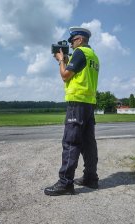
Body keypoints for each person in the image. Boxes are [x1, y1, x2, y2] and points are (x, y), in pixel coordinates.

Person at [44, 27, 100, 196]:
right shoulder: (93, 56)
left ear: (80, 39)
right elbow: (79, 74)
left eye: (72, 40)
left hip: (77, 104)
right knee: (89, 143)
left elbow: (65, 75)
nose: (70, 43)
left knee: (71, 142)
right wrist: (67, 59)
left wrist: (61, 60)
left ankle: (65, 183)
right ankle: (91, 178)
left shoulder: (80, 52)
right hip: (89, 103)